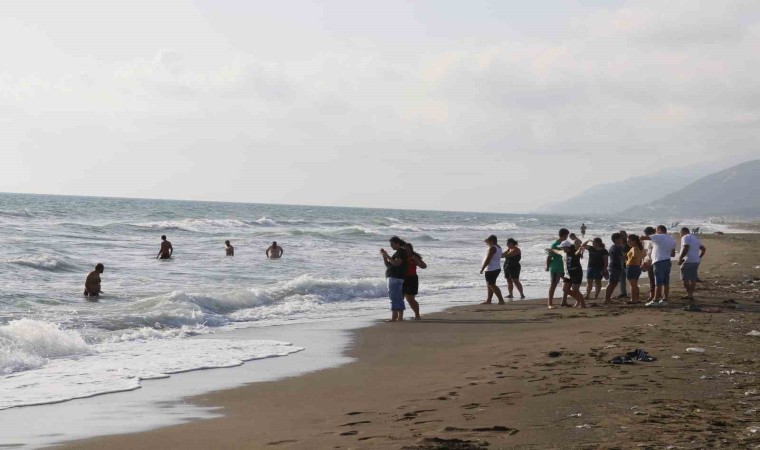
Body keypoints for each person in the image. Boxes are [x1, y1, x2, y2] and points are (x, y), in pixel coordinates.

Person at [640, 225, 677, 307]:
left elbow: (643, 237)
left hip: (659, 261)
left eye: (656, 230)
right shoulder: (671, 239)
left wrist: (639, 238)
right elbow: (673, 254)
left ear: (659, 230)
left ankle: (655, 300)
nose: (655, 232)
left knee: (658, 282)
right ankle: (665, 299)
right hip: (667, 260)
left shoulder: (659, 236)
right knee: (666, 282)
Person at [549, 240, 586, 308]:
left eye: (563, 247)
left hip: (576, 273)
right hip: (567, 274)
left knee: (575, 290)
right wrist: (551, 250)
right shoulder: (563, 252)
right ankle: (578, 300)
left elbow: (577, 252)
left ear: (567, 247)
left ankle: (583, 304)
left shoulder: (574, 252)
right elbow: (557, 251)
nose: (562, 249)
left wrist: (580, 249)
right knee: (565, 289)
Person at [678, 227, 706, 308]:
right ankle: (690, 294)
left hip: (688, 260)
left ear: (683, 232)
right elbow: (703, 249)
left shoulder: (685, 237)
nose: (680, 235)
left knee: (685, 279)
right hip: (696, 261)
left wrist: (680, 258)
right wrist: (699, 257)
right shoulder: (695, 238)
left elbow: (686, 247)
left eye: (680, 233)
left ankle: (689, 294)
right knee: (693, 279)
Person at [380, 236, 407, 321]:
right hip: (396, 277)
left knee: (394, 297)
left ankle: (394, 317)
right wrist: (384, 256)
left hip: (395, 277)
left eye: (392, 244)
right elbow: (388, 265)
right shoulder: (398, 252)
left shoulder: (401, 252)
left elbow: (397, 263)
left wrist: (387, 255)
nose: (391, 246)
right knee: (398, 297)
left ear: (398, 244)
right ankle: (400, 317)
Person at [545, 228, 569, 308]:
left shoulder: (564, 243)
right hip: (556, 267)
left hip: (564, 267)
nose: (567, 237)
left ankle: (564, 301)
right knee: (553, 284)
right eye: (567, 235)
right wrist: (547, 266)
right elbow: (549, 257)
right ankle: (550, 303)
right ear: (564, 235)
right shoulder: (555, 244)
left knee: (568, 284)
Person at [403, 242, 427, 320]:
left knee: (410, 299)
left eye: (408, 250)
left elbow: (424, 266)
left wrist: (416, 260)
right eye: (405, 250)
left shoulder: (414, 257)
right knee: (401, 298)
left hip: (412, 279)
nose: (406, 251)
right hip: (402, 279)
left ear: (411, 250)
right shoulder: (401, 256)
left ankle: (417, 315)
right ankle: (399, 317)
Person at [480, 235, 505, 305]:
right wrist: (487, 241)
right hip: (496, 268)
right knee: (490, 285)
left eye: (488, 242)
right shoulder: (498, 247)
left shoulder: (492, 248)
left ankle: (501, 300)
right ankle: (489, 300)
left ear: (491, 241)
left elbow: (488, 259)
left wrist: (482, 268)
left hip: (491, 269)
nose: (487, 243)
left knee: (492, 285)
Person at [604, 233, 624, 304]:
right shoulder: (615, 248)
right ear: (616, 239)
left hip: (617, 267)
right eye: (620, 238)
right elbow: (621, 257)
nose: (622, 239)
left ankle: (608, 298)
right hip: (614, 267)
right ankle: (606, 299)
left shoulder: (619, 247)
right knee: (611, 283)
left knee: (614, 283)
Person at [625, 234, 644, 304]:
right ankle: (637, 298)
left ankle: (633, 299)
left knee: (632, 285)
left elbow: (635, 256)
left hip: (632, 267)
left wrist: (628, 261)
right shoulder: (639, 247)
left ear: (634, 241)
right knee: (635, 284)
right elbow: (641, 256)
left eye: (629, 241)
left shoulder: (634, 248)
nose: (628, 243)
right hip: (637, 266)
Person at [642, 226, 656, 301]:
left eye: (647, 234)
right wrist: (643, 261)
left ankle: (656, 294)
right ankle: (652, 294)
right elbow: (645, 251)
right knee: (651, 278)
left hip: (655, 260)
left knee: (656, 279)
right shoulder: (645, 241)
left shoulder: (655, 239)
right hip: (648, 260)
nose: (646, 235)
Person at [616, 230, 629, 299]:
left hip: (629, 263)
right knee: (622, 279)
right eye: (620, 235)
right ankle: (623, 293)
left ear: (626, 235)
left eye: (622, 235)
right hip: (621, 263)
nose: (621, 237)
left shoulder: (629, 243)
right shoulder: (620, 244)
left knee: (631, 280)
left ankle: (633, 294)